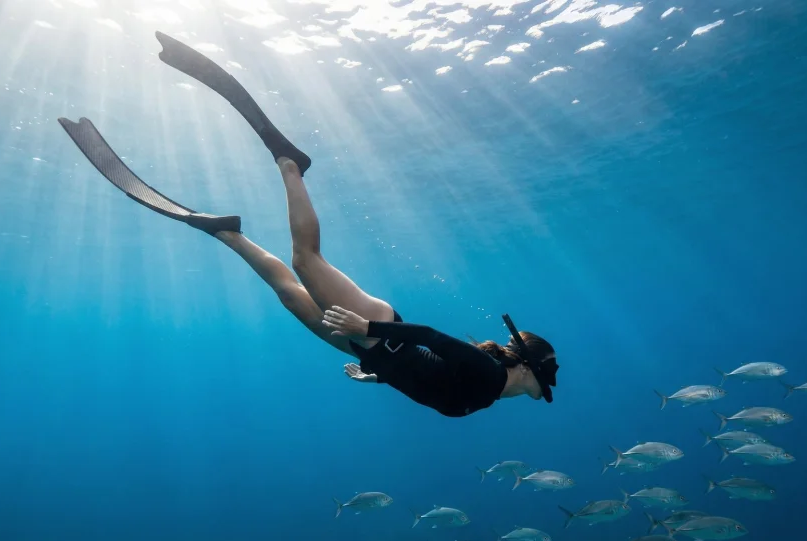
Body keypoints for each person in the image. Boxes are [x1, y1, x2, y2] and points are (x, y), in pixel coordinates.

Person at [57, 31, 560, 418]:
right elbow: (429, 335)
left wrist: (378, 377)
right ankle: (290, 163)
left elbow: (430, 378)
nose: (544, 391)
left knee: (287, 293)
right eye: (546, 380)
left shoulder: (487, 393)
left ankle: (226, 232)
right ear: (528, 366)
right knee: (305, 259)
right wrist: (368, 328)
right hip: (373, 329)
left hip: (370, 349)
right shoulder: (489, 374)